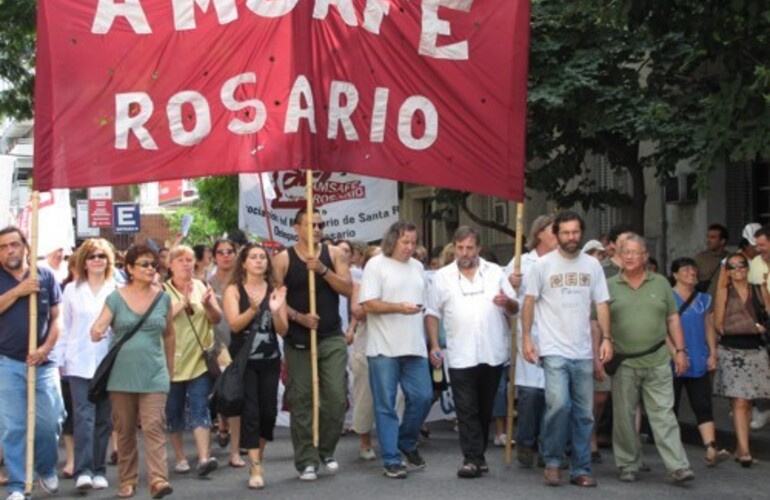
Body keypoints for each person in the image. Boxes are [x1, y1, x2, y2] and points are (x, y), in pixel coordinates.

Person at [521, 211, 611, 488]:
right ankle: (552, 461)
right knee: (558, 405)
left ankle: (581, 468)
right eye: (565, 233)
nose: (571, 238)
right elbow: (529, 302)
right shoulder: (543, 265)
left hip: (583, 350)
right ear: (556, 234)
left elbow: (602, 303)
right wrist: (526, 336)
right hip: (553, 349)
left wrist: (607, 338)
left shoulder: (592, 266)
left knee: (584, 413)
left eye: (575, 232)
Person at [426, 226, 518, 478]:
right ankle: (471, 458)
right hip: (460, 353)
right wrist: (434, 344)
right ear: (454, 247)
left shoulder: (495, 272)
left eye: (469, 248)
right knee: (466, 408)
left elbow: (514, 307)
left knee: (484, 407)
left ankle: (479, 455)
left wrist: (507, 302)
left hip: (492, 351)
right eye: (460, 248)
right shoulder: (442, 276)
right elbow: (432, 313)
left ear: (478, 248)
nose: (464, 253)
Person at [607, 234, 694, 484]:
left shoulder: (661, 284)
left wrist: (680, 350)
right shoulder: (610, 285)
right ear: (619, 257)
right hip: (623, 362)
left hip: (657, 359)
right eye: (626, 252)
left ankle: (678, 466)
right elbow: (597, 322)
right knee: (624, 415)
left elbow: (673, 319)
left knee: (664, 414)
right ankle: (627, 463)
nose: (631, 256)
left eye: (636, 252)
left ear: (646, 256)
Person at [90, 244, 175, 499]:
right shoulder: (116, 297)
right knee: (125, 429)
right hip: (121, 375)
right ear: (129, 269)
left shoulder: (163, 297)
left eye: (153, 265)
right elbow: (98, 327)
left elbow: (169, 335)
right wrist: (97, 331)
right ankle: (127, 480)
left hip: (154, 373)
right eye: (144, 264)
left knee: (153, 426)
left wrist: (169, 370)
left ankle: (158, 480)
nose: (151, 268)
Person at [273, 208, 352, 481]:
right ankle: (306, 459)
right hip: (298, 339)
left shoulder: (335, 254)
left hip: (330, 336)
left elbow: (347, 288)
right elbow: (277, 298)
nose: (317, 229)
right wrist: (299, 317)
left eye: (320, 224)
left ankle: (326, 450)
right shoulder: (283, 259)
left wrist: (323, 270)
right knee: (302, 399)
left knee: (335, 396)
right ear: (297, 228)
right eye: (311, 224)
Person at [359, 221, 433, 479]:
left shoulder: (418, 267)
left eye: (414, 242)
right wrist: (399, 308)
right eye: (405, 242)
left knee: (424, 396)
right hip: (383, 347)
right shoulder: (375, 265)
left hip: (414, 345)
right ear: (392, 240)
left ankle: (406, 441)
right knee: (386, 405)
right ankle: (391, 458)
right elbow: (368, 304)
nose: (410, 248)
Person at [0, 226, 65, 500]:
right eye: (3, 247)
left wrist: (45, 347)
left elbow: (57, 318)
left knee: (50, 421)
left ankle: (46, 468)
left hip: (43, 363)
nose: (9, 251)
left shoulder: (45, 275)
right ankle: (17, 485)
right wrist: (18, 291)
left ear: (26, 246)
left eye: (14, 244)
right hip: (8, 363)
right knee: (14, 427)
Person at [223, 243, 288, 489]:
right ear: (244, 263)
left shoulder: (275, 290)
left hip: (270, 359)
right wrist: (253, 310)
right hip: (244, 360)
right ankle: (255, 466)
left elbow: (283, 330)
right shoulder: (234, 289)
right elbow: (235, 325)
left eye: (263, 257)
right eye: (254, 257)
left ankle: (257, 457)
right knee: (251, 412)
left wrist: (273, 310)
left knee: (268, 413)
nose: (259, 261)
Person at [57, 238, 117, 491]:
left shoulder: (116, 288)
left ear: (108, 260)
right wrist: (60, 360)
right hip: (78, 361)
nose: (97, 260)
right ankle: (83, 469)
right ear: (83, 261)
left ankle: (99, 469)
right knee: (83, 417)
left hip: (107, 362)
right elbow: (64, 327)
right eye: (92, 256)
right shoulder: (71, 290)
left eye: (101, 256)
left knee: (103, 418)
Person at [162, 246, 222, 477]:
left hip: (199, 360)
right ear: (170, 264)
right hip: (172, 362)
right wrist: (182, 303)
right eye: (180, 260)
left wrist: (207, 305)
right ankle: (179, 457)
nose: (186, 264)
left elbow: (216, 318)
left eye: (190, 260)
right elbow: (160, 321)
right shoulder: (162, 291)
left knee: (200, 407)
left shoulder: (201, 286)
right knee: (174, 412)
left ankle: (204, 457)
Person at [506, 215, 557, 468]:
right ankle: (525, 442)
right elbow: (504, 297)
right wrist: (510, 283)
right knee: (529, 395)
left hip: (555, 336)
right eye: (553, 230)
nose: (558, 235)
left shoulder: (562, 262)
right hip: (528, 334)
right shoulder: (520, 262)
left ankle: (549, 449)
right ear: (539, 233)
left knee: (553, 396)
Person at [669, 257, 728, 466]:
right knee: (670, 406)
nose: (691, 273)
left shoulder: (703, 299)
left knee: (703, 403)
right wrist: (676, 352)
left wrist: (712, 352)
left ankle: (711, 447)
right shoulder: (667, 298)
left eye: (693, 270)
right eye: (685, 270)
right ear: (675, 274)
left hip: (698, 358)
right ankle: (673, 452)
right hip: (673, 361)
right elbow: (663, 331)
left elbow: (708, 326)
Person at [713, 252, 770, 466]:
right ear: (726, 270)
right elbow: (719, 325)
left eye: (742, 265)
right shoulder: (723, 291)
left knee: (748, 402)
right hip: (732, 351)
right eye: (733, 266)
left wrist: (760, 328)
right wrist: (750, 327)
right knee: (739, 400)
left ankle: (740, 448)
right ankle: (745, 451)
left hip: (756, 351)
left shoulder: (758, 289)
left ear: (747, 267)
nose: (738, 270)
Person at [207, 239, 240, 462]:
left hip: (240, 338)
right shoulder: (207, 281)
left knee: (239, 386)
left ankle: (240, 435)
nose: (226, 255)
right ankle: (222, 423)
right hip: (217, 341)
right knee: (221, 384)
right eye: (221, 252)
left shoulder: (242, 280)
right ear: (214, 256)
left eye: (230, 251)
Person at [693, 224, 729, 297]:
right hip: (705, 304)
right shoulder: (699, 259)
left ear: (722, 241)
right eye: (707, 237)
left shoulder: (731, 259)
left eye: (713, 237)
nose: (708, 241)